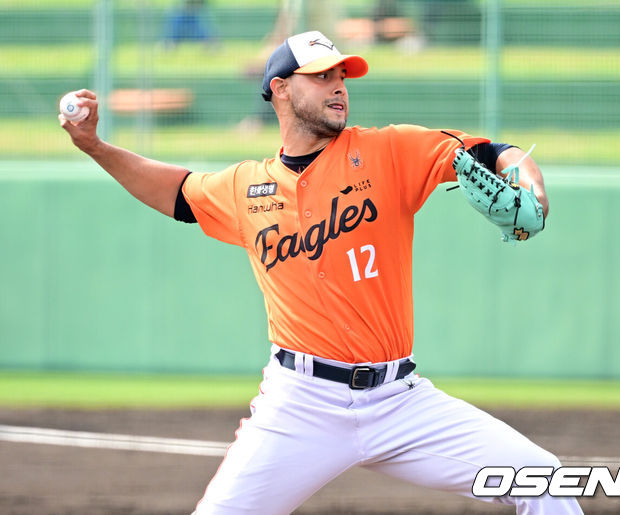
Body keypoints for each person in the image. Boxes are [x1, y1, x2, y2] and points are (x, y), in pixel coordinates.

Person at [60, 30, 584, 515]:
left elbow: (494, 153)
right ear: (280, 89)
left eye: (342, 75)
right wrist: (96, 147)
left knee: (543, 478)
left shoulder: (387, 150)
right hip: (300, 404)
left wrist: (528, 182)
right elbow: (176, 191)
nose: (338, 86)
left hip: (399, 400)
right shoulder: (246, 188)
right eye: (322, 76)